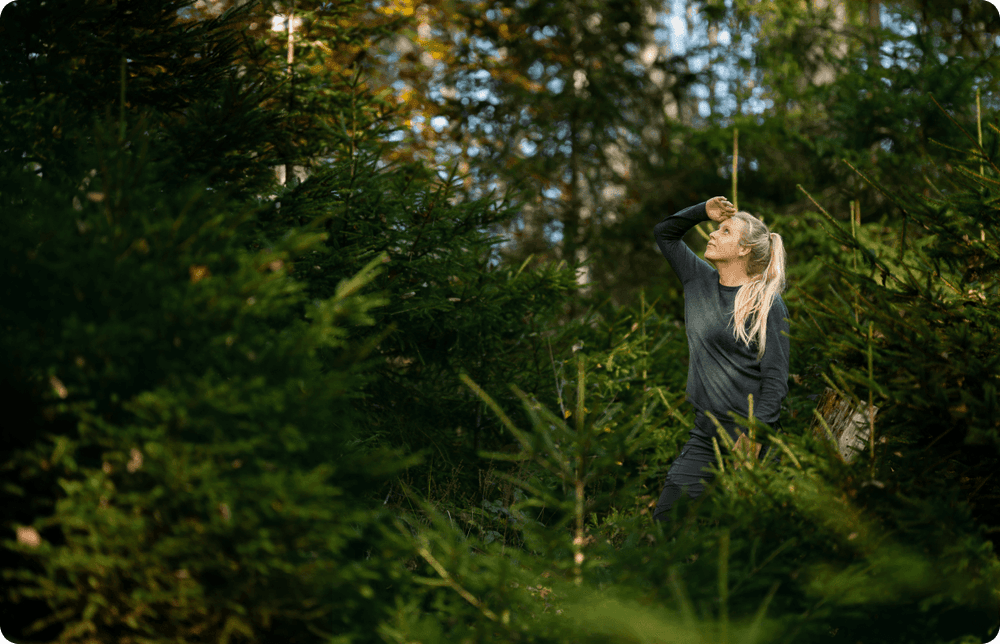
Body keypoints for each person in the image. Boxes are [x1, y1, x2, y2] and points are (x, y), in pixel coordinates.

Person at [651, 196, 790, 524]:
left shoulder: (767, 303)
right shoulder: (696, 280)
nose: (712, 234)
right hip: (705, 431)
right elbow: (665, 233)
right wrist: (703, 211)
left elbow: (775, 378)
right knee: (667, 520)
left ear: (743, 249)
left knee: (745, 535)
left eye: (724, 231)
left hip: (749, 435)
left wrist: (755, 438)